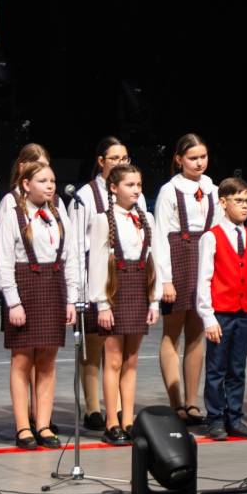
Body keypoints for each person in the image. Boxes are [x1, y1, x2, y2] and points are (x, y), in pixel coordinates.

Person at [0, 160, 78, 450]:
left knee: (47, 360)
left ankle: (43, 423)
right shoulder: (13, 215)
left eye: (52, 181)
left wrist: (71, 298)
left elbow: (70, 258)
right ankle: (23, 426)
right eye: (43, 181)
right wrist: (13, 302)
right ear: (26, 185)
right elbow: (4, 263)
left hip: (53, 288)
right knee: (22, 361)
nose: (50, 186)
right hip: (25, 288)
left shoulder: (58, 214)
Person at [87, 163, 159, 444]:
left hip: (139, 288)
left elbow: (154, 258)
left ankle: (129, 419)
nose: (136, 190)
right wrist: (102, 304)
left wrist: (153, 301)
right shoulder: (104, 219)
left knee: (131, 360)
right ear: (114, 188)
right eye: (130, 185)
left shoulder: (146, 218)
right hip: (115, 290)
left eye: (138, 185)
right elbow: (96, 263)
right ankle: (112, 421)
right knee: (114, 360)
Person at [152, 133, 217, 426]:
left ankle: (192, 402)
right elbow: (160, 236)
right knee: (172, 332)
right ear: (179, 159)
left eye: (203, 157)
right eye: (193, 158)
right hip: (178, 255)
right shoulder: (170, 190)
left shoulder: (212, 188)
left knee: (196, 332)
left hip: (204, 258)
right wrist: (165, 279)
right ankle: (175, 401)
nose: (199, 162)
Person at [196, 177, 247, 440]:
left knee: (237, 368)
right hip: (221, 313)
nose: (244, 206)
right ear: (223, 203)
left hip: (245, 311)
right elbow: (204, 278)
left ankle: (234, 418)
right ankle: (215, 419)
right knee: (217, 369)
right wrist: (208, 316)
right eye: (238, 201)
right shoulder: (211, 237)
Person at [71, 136, 129, 432]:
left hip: (123, 276)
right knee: (93, 344)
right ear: (101, 161)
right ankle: (93, 407)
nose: (120, 163)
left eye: (124, 158)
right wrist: (80, 288)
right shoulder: (85, 196)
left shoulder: (130, 192)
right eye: (114, 158)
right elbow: (76, 244)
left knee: (117, 345)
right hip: (94, 275)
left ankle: (116, 406)